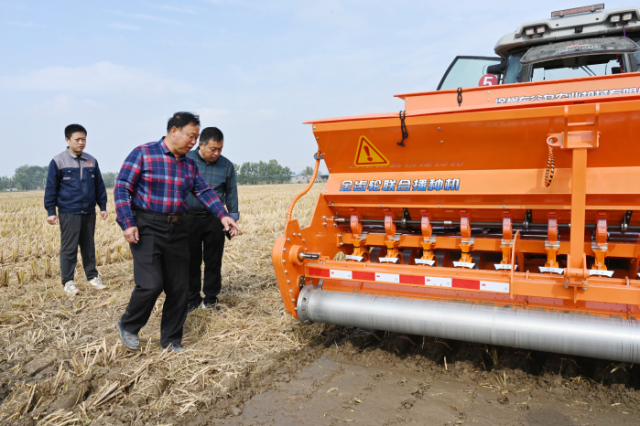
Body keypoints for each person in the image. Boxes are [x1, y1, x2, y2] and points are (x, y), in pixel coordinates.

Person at [114, 112, 240, 354]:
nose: (193, 142)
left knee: (179, 287)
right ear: (174, 131)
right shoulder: (143, 153)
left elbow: (205, 193)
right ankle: (128, 325)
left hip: (178, 227)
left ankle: (171, 340)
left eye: (195, 137)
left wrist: (223, 215)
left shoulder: (189, 165)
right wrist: (127, 222)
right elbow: (122, 187)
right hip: (147, 226)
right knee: (151, 284)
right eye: (191, 136)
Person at [44, 124, 108, 297]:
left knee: (89, 246)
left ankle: (92, 276)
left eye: (84, 139)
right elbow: (51, 188)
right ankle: (68, 281)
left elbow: (99, 186)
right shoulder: (58, 161)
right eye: (77, 139)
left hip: (88, 211)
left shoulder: (91, 160)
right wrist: (51, 211)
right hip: (69, 211)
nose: (81, 143)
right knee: (69, 247)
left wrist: (102, 206)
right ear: (67, 140)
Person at [185, 127, 239, 313]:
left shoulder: (227, 166)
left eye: (220, 149)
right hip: (188, 218)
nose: (217, 153)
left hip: (215, 220)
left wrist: (233, 218)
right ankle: (192, 299)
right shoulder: (186, 160)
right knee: (191, 261)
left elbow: (231, 193)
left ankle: (210, 299)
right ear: (200, 144)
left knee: (213, 261)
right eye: (213, 149)